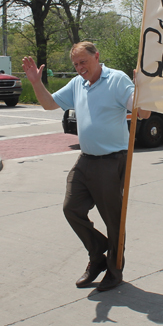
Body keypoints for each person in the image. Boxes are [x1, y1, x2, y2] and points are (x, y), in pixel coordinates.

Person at [22, 42, 151, 291]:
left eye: (84, 62)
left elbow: (143, 113)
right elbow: (49, 104)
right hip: (86, 159)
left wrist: (142, 88)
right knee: (71, 208)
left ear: (97, 57)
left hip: (112, 161)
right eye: (76, 64)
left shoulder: (116, 80)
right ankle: (98, 254)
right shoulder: (78, 84)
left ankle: (114, 270)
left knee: (113, 220)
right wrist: (36, 82)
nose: (80, 68)